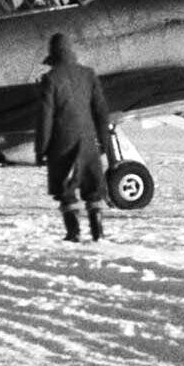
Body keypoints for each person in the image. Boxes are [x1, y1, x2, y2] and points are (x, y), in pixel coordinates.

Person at [33, 31, 114, 242]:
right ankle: (98, 231)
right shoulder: (89, 74)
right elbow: (101, 111)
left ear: (53, 55)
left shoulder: (50, 79)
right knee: (93, 189)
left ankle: (73, 232)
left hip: (62, 144)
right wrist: (104, 141)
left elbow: (45, 119)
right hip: (88, 142)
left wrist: (41, 149)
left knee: (66, 190)